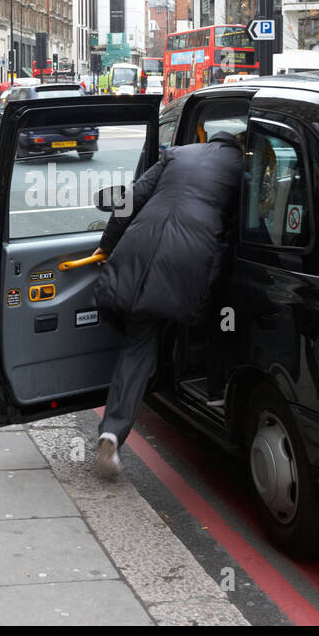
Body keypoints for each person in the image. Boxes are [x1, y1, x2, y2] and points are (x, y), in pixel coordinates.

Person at [89, 129, 244, 478]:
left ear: (211, 139)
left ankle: (112, 432)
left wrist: (108, 243)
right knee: (217, 316)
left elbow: (129, 198)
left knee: (138, 343)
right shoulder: (242, 169)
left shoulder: (178, 154)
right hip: (189, 258)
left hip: (139, 244)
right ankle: (215, 389)